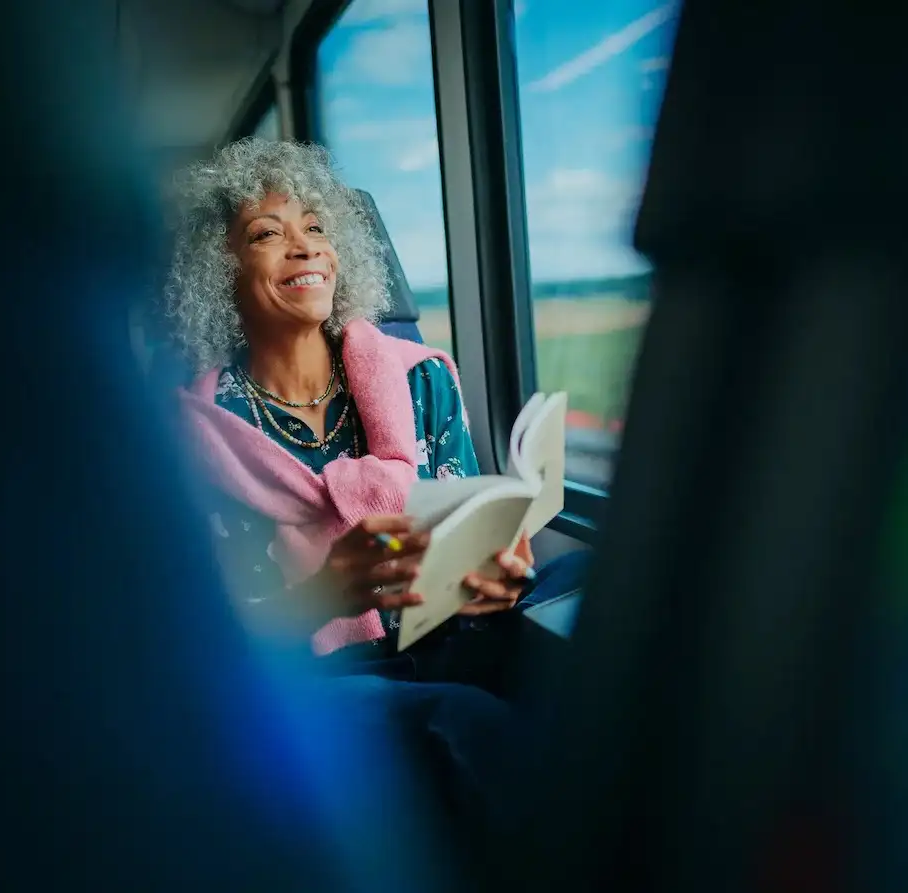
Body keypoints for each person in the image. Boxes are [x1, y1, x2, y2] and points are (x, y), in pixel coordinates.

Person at [163, 138, 589, 853]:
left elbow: (468, 524)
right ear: (218, 271)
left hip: (444, 631)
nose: (306, 247)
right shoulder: (194, 435)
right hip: (315, 680)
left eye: (316, 227)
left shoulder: (422, 379)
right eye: (267, 234)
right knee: (461, 719)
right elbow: (204, 640)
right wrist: (325, 592)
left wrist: (496, 574)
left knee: (585, 585)